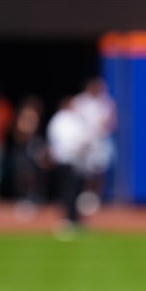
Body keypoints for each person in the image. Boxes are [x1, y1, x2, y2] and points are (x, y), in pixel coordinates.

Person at [72, 76, 118, 215]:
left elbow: (112, 121)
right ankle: (84, 196)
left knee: (99, 169)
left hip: (100, 141)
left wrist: (103, 126)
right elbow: (74, 120)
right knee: (83, 170)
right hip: (83, 141)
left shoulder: (106, 102)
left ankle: (95, 197)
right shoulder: (80, 101)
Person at [47, 96, 90, 237]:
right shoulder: (61, 120)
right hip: (65, 160)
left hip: (77, 161)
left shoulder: (76, 119)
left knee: (76, 191)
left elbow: (84, 138)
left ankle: (74, 219)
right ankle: (68, 219)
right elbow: (63, 140)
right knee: (68, 191)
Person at [11, 95, 49, 220]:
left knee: (35, 175)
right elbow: (20, 133)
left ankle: (32, 197)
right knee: (23, 175)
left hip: (34, 150)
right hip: (23, 151)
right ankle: (24, 198)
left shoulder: (38, 120)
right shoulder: (23, 117)